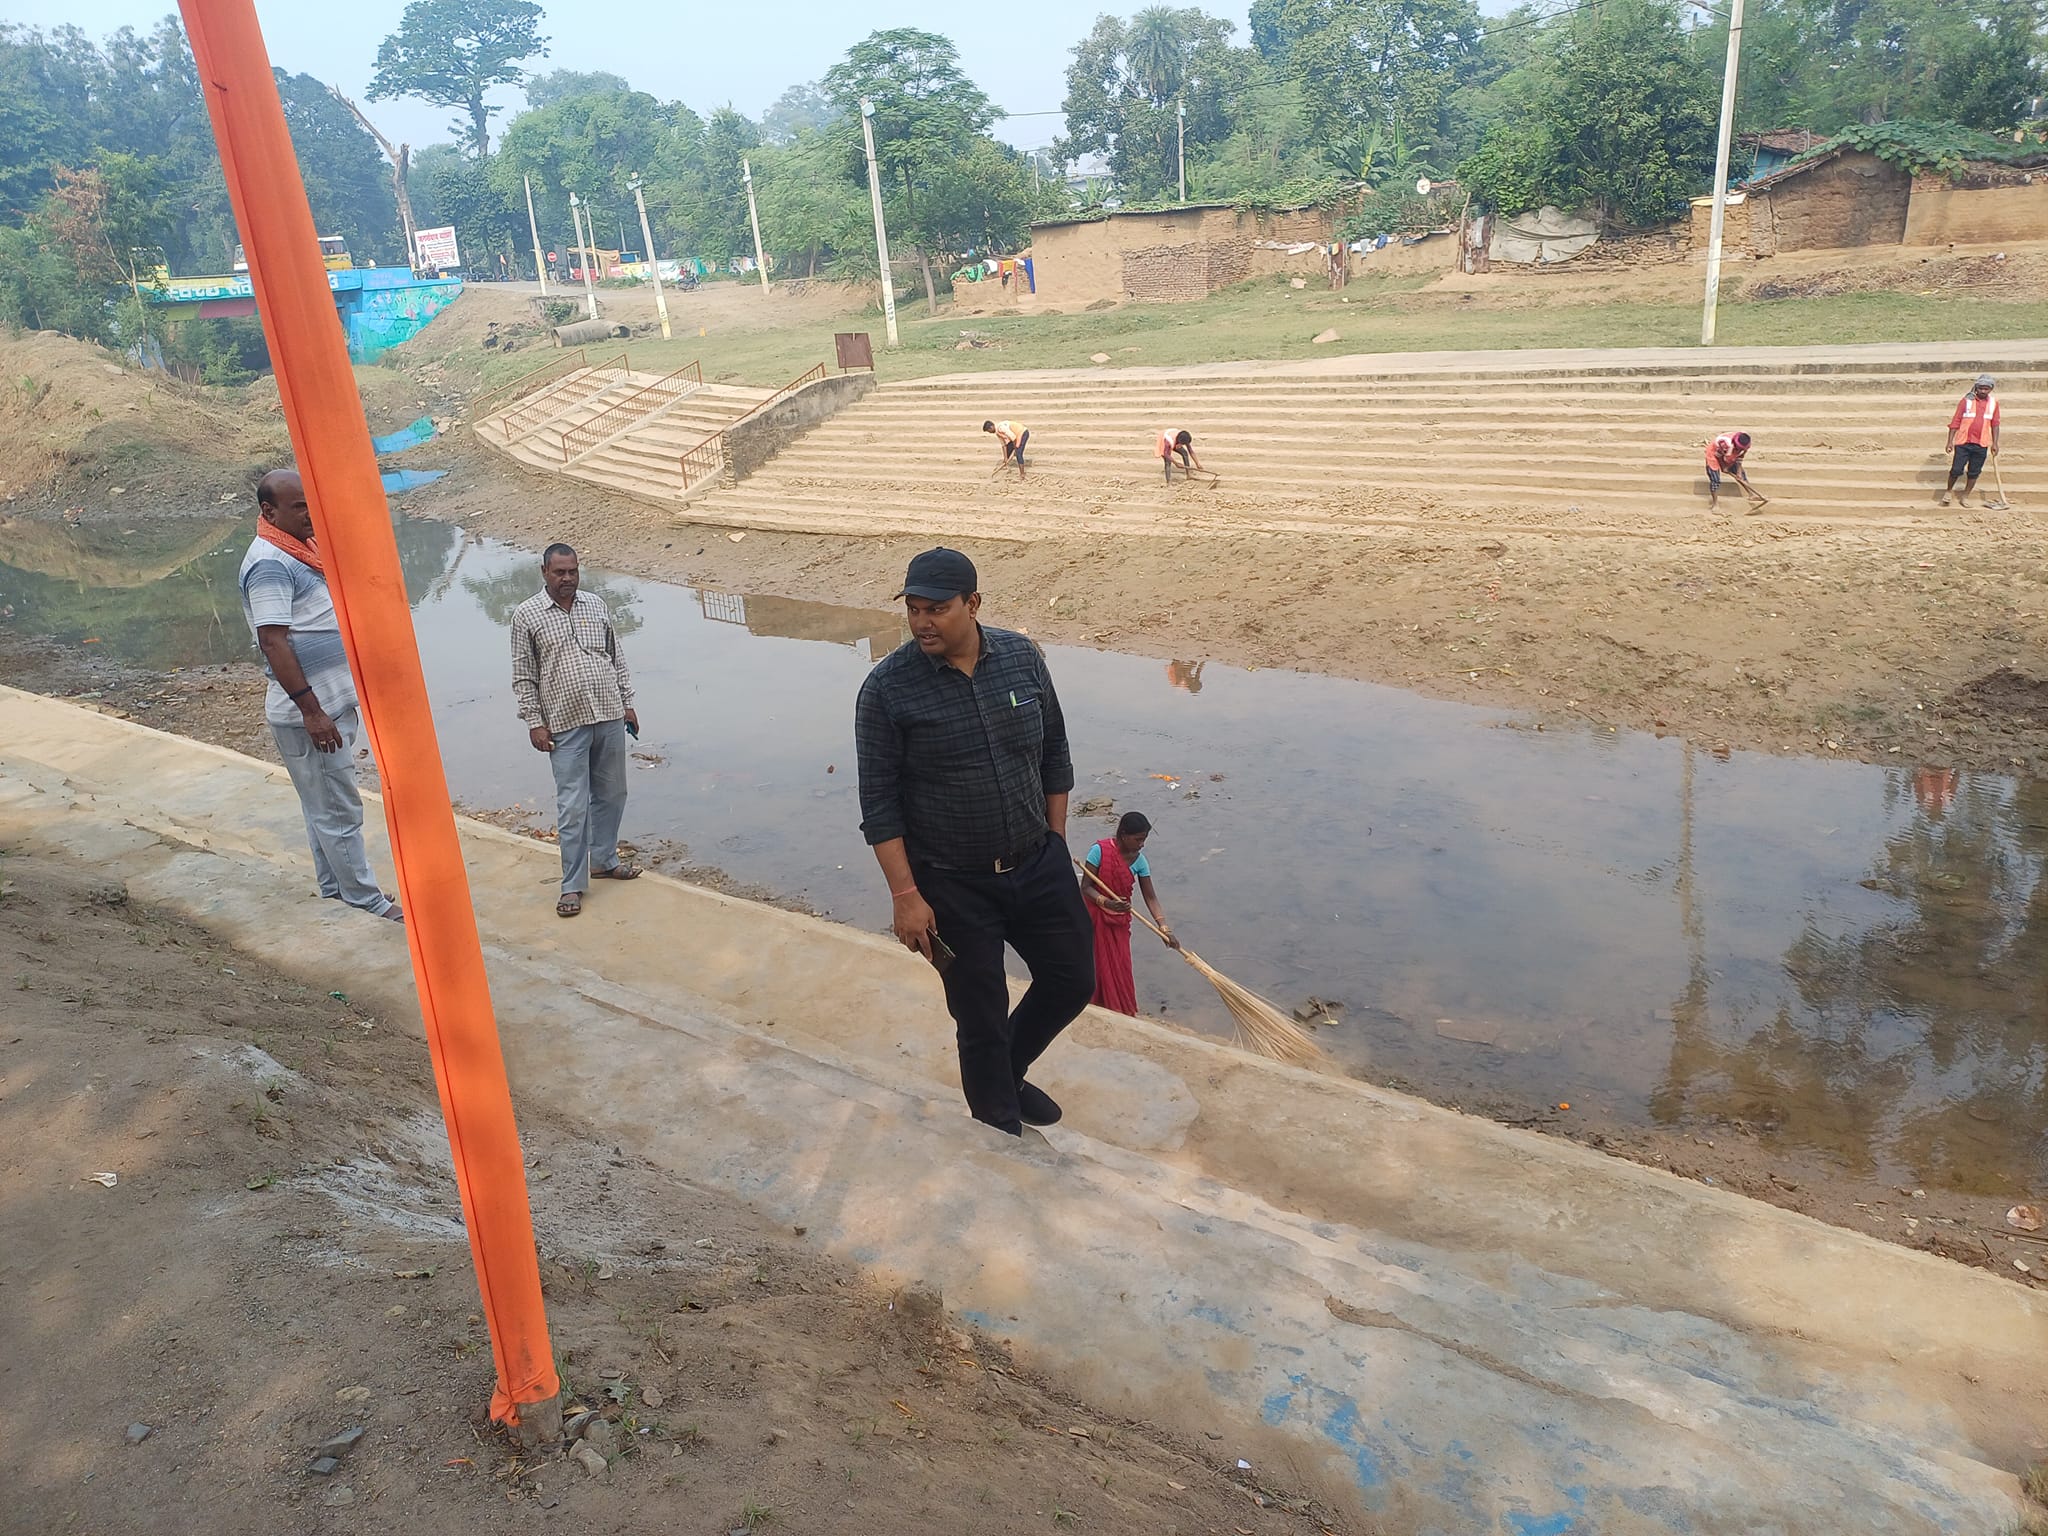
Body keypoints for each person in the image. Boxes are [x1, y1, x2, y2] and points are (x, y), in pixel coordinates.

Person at [855, 547, 1094, 1137]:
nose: (922, 623)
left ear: (973, 604)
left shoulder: (1021, 658)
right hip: (952, 883)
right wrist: (906, 896)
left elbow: (1055, 753)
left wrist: (1056, 840)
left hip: (1037, 861)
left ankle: (1007, 1073)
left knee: (1072, 981)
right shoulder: (886, 689)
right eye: (913, 610)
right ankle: (998, 1128)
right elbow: (879, 805)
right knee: (980, 1015)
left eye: (936, 609)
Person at [237, 470, 401, 923]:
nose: (312, 514)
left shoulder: (300, 551)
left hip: (327, 706)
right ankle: (365, 901)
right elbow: (273, 641)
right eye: (299, 507)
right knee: (339, 810)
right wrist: (313, 712)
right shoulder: (270, 562)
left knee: (321, 806)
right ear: (269, 512)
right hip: (311, 713)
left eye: (312, 502)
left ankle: (336, 891)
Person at [510, 543, 641, 918]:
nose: (567, 579)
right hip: (564, 724)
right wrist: (534, 722)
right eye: (559, 572)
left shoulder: (596, 605)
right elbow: (523, 675)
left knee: (613, 794)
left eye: (572, 571)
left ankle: (604, 860)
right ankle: (571, 885)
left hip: (609, 714)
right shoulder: (526, 615)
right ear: (544, 572)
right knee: (572, 806)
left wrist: (627, 702)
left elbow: (615, 657)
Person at [1081, 812, 1178, 1015]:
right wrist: (1106, 902)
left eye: (1144, 839)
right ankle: (1093, 1005)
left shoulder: (1140, 862)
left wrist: (1164, 928)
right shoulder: (1099, 851)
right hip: (1095, 918)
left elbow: (1150, 897)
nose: (1142, 844)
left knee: (1121, 965)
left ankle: (1120, 1008)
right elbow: (1086, 887)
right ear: (1124, 835)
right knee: (1095, 963)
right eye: (1138, 839)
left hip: (1119, 921)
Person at [1942, 374, 2001, 507]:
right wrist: (1950, 441)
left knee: (1974, 472)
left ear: (1991, 389)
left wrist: (1995, 443)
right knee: (1956, 469)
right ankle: (1948, 491)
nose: (1983, 391)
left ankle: (1965, 496)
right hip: (1963, 442)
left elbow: (1995, 424)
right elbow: (1955, 421)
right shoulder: (1966, 401)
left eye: (1986, 389)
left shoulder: (1993, 403)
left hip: (1981, 443)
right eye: (1981, 388)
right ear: (1976, 387)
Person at [1704, 430, 1765, 511]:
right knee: (1715, 480)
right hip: (1714, 453)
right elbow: (1718, 455)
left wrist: (1738, 472)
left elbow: (1740, 457)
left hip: (1729, 453)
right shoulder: (1724, 443)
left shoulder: (1746, 444)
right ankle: (1715, 504)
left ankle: (1752, 495)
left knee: (1741, 475)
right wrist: (1724, 467)